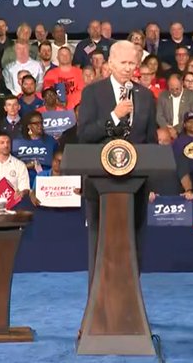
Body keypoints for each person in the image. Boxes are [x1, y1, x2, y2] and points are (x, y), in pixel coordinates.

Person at [77, 40, 157, 276]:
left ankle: (131, 293)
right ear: (110, 63)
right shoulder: (92, 92)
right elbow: (85, 135)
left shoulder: (145, 96)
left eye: (132, 63)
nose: (127, 67)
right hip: (101, 183)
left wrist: (150, 183)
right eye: (123, 62)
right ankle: (98, 297)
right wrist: (114, 115)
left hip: (137, 184)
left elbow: (150, 141)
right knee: (100, 240)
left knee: (135, 238)